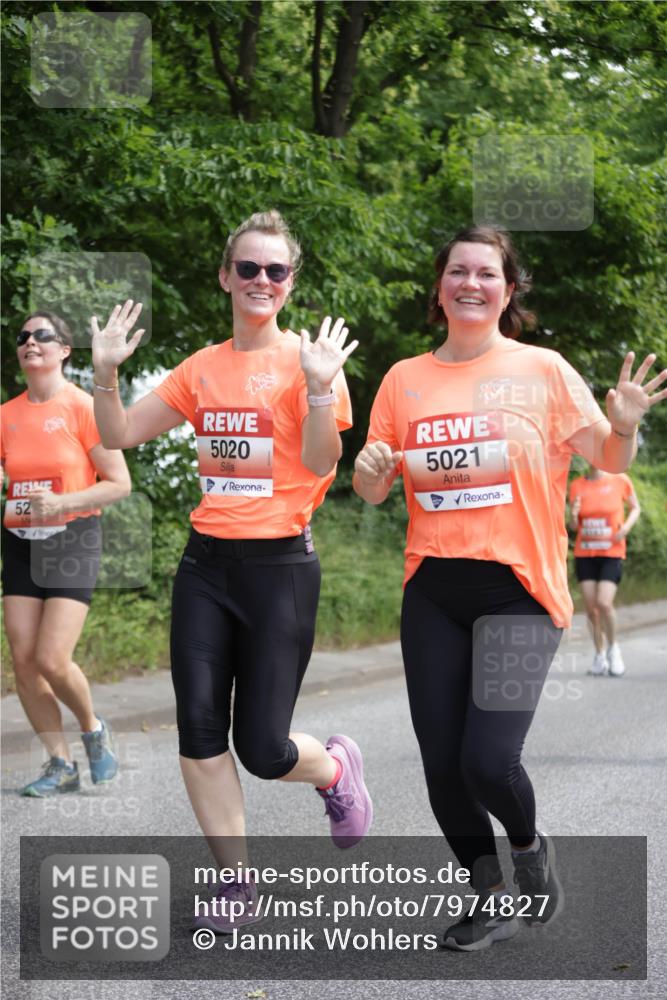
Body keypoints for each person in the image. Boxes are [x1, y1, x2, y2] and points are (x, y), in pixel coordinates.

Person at [353, 224, 666, 951]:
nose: (470, 283)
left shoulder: (543, 369)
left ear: (508, 288)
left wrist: (623, 427)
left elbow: (607, 455)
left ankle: (526, 850)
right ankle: (488, 893)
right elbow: (373, 486)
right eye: (457, 271)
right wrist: (370, 472)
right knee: (441, 768)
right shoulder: (404, 379)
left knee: (486, 760)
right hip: (432, 588)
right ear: (438, 287)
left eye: (486, 273)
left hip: (519, 591)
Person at [90, 210, 373, 932]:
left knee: (263, 748)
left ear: (290, 282)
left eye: (275, 270)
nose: (260, 281)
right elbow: (118, 433)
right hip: (206, 567)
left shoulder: (313, 364)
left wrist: (315, 387)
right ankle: (235, 883)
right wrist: (104, 374)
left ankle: (336, 770)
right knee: (199, 729)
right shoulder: (201, 368)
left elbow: (320, 464)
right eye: (247, 268)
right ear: (225, 276)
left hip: (280, 568)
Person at [1, 311, 130, 796]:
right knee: (24, 661)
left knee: (53, 658)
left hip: (72, 539)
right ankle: (60, 763)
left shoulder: (82, 408)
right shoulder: (6, 415)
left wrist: (63, 502)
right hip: (18, 541)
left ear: (64, 350)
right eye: (22, 337)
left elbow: (120, 484)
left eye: (41, 336)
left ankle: (94, 728)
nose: (30, 342)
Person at [568, 465, 640, 676]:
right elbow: (574, 526)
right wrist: (573, 515)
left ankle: (613, 649)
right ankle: (599, 655)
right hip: (586, 554)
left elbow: (636, 507)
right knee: (591, 609)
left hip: (611, 552)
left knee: (604, 603)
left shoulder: (620, 479)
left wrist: (625, 528)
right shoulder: (576, 485)